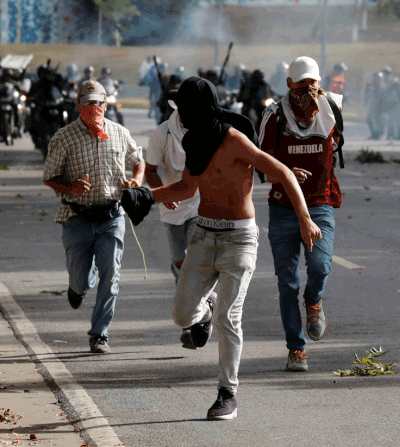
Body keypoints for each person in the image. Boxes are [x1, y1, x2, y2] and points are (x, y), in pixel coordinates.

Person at [122, 76, 321, 421]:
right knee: (182, 316)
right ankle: (206, 308)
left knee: (229, 318)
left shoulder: (234, 140)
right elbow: (185, 188)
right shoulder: (195, 142)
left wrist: (305, 219)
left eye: (186, 109)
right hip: (204, 234)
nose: (182, 115)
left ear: (199, 110)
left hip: (240, 239)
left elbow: (284, 174)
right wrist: (145, 196)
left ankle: (227, 393)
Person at [43, 80, 144, 355]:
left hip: (112, 216)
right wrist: (71, 188)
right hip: (76, 216)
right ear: (78, 106)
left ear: (106, 104)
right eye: (87, 103)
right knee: (82, 278)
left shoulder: (119, 133)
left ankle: (99, 335)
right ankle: (77, 289)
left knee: (111, 275)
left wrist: (136, 180)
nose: (93, 107)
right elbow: (49, 177)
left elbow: (138, 160)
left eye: (98, 102)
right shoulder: (63, 138)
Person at [257, 56, 342, 373]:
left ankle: (315, 301)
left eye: (313, 82)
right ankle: (296, 349)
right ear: (290, 84)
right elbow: (260, 163)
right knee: (286, 284)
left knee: (319, 266)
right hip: (282, 209)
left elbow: (337, 147)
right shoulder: (273, 115)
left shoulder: (333, 108)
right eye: (301, 82)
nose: (308, 88)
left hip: (320, 204)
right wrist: (284, 173)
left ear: (320, 82)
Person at [144, 104, 200, 348]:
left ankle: (194, 322)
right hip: (171, 206)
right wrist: (164, 195)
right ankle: (189, 312)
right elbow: (150, 170)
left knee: (197, 261)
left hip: (200, 203)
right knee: (181, 262)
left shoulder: (206, 129)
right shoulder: (162, 133)